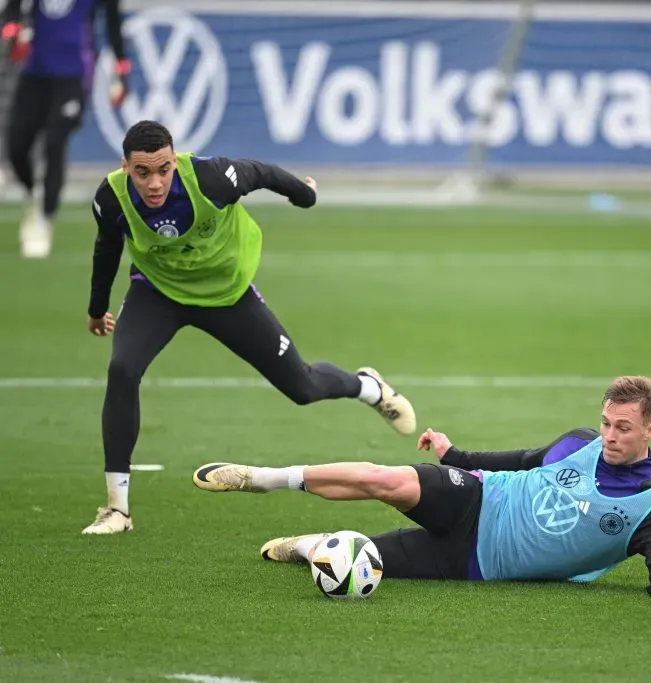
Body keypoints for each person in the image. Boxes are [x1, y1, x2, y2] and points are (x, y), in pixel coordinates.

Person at [82, 119, 416, 536]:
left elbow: (260, 173)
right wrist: (98, 309)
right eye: (143, 172)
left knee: (303, 387)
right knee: (122, 369)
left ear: (175, 160)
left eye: (164, 169)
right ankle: (117, 509)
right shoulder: (109, 198)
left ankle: (369, 387)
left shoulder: (210, 178)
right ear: (125, 167)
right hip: (158, 293)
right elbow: (106, 248)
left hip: (228, 295)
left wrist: (305, 194)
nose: (154, 183)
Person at [192, 376, 651, 600]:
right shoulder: (579, 444)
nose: (609, 436)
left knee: (361, 560)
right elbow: (520, 461)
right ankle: (260, 479)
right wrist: (456, 457)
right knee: (384, 480)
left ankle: (307, 545)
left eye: (622, 427)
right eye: (605, 422)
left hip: (475, 564)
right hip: (477, 496)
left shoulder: (649, 507)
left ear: (650, 431)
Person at [1, 0, 130, 258]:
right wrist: (13, 30)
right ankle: (34, 192)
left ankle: (44, 219)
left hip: (73, 76)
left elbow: (114, 20)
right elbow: (11, 10)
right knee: (16, 145)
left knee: (54, 141)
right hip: (35, 72)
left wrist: (121, 71)